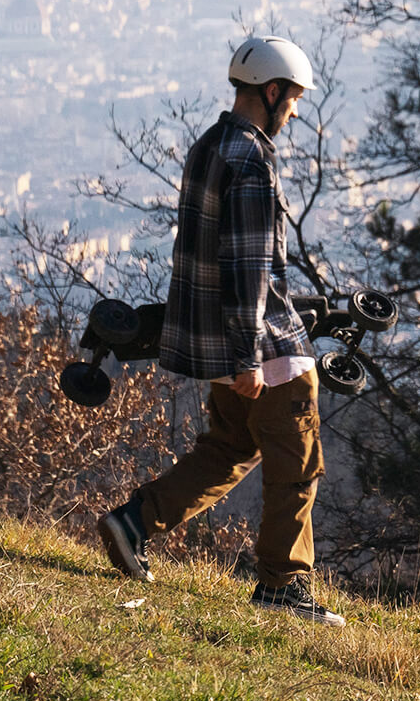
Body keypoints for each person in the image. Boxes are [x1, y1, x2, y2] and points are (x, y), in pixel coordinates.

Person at [97, 35, 345, 627]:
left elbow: (206, 256)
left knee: (231, 448)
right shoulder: (253, 161)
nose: (292, 111)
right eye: (291, 99)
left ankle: (134, 523)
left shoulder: (210, 146)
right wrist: (248, 357)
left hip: (224, 342)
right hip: (262, 350)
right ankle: (284, 586)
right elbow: (249, 266)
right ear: (272, 90)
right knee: (298, 461)